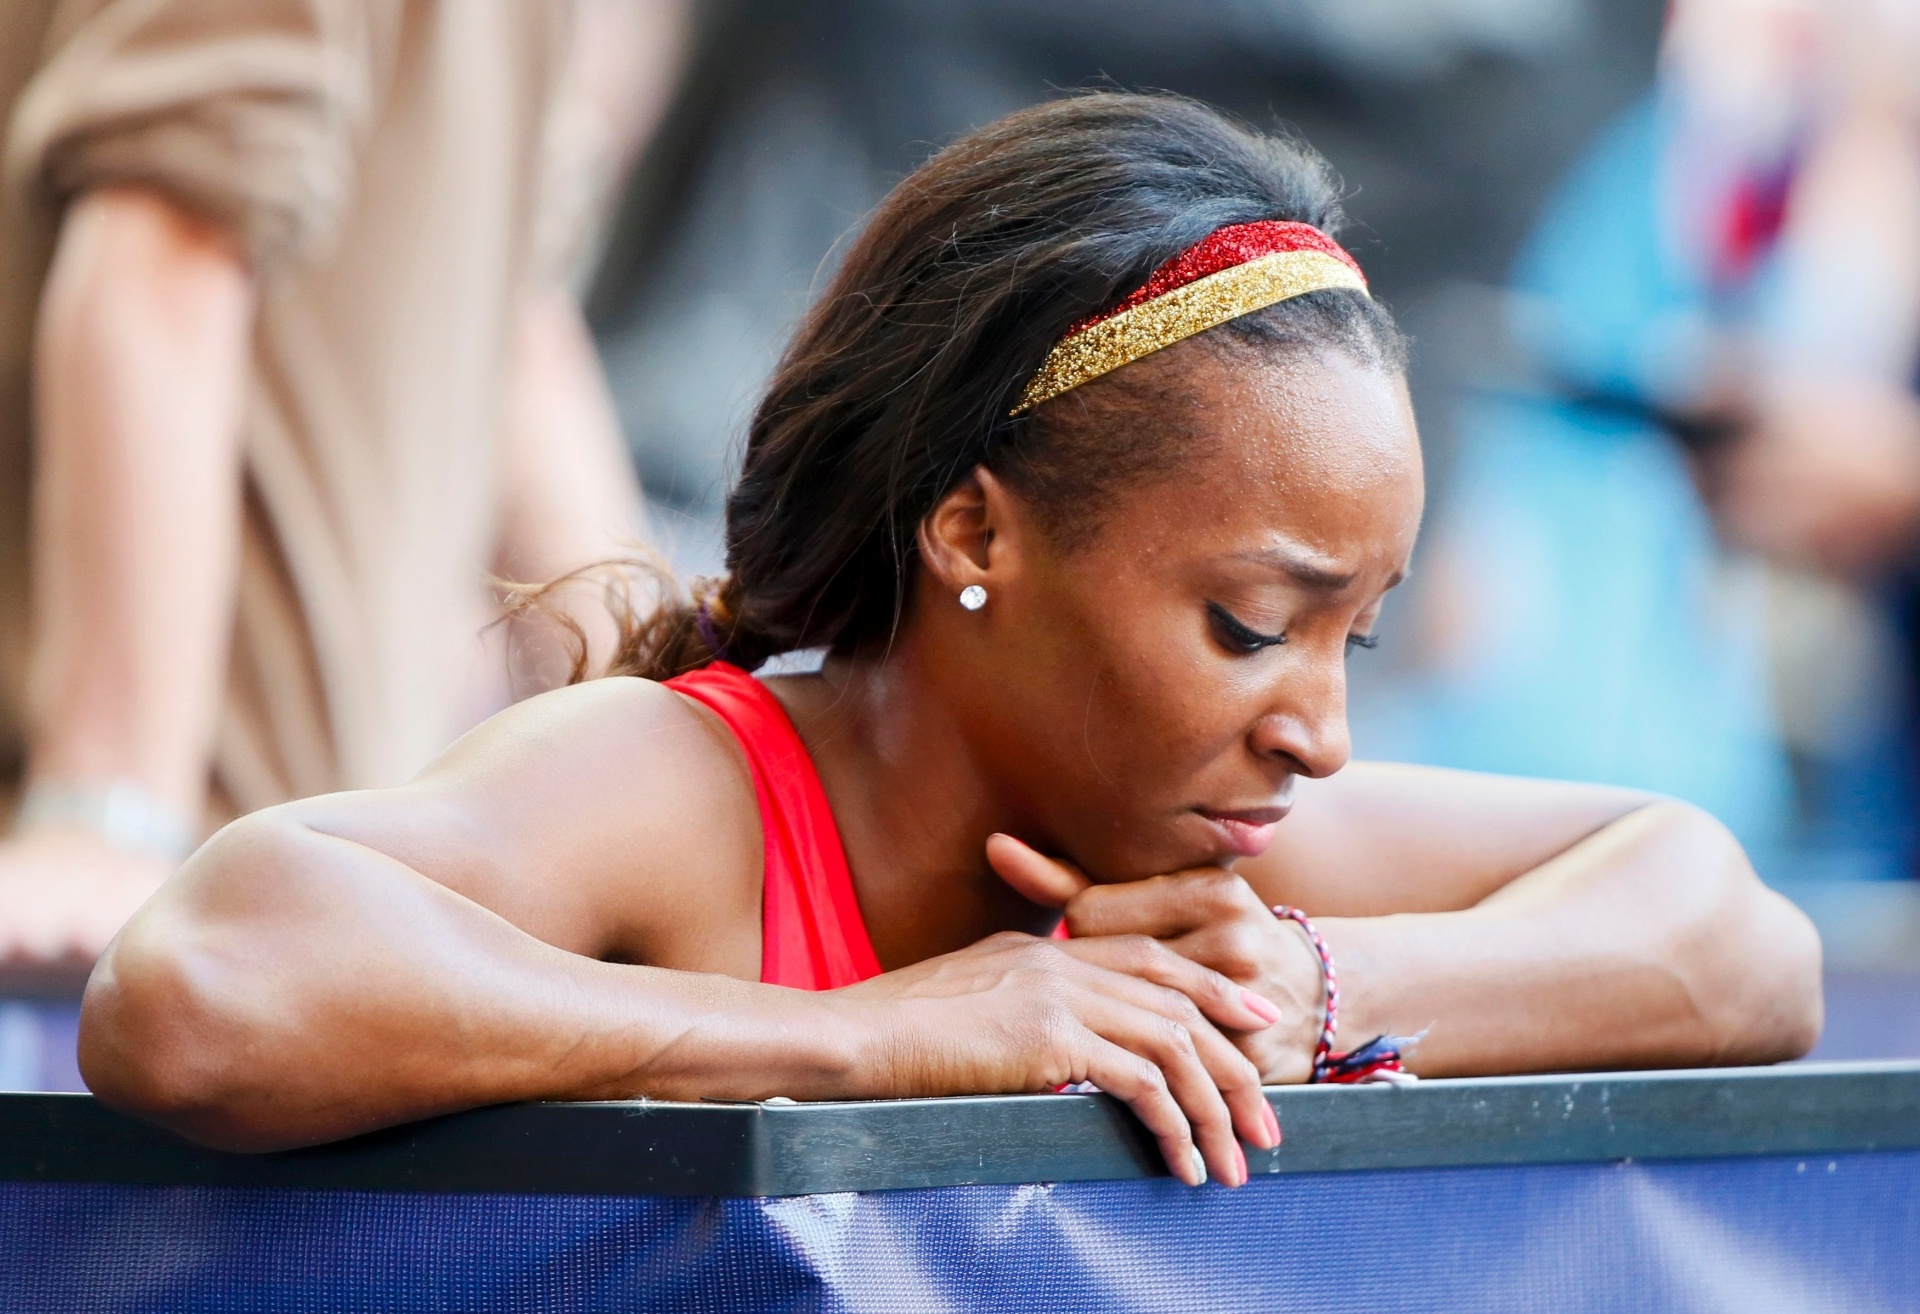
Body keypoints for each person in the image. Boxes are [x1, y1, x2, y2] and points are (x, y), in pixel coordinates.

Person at [78, 95, 1822, 1189]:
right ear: (976, 529)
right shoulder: (689, 784)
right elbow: (201, 986)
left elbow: (1737, 938)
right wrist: (873, 1041)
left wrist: (1322, 992)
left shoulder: (1205, 848)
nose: (1320, 731)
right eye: (1249, 624)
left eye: (1353, 640)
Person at [0, 0, 663, 982]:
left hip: (284, 892)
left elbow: (512, 322)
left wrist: (674, 769)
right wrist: (105, 813)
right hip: (150, 901)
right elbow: (166, 245)